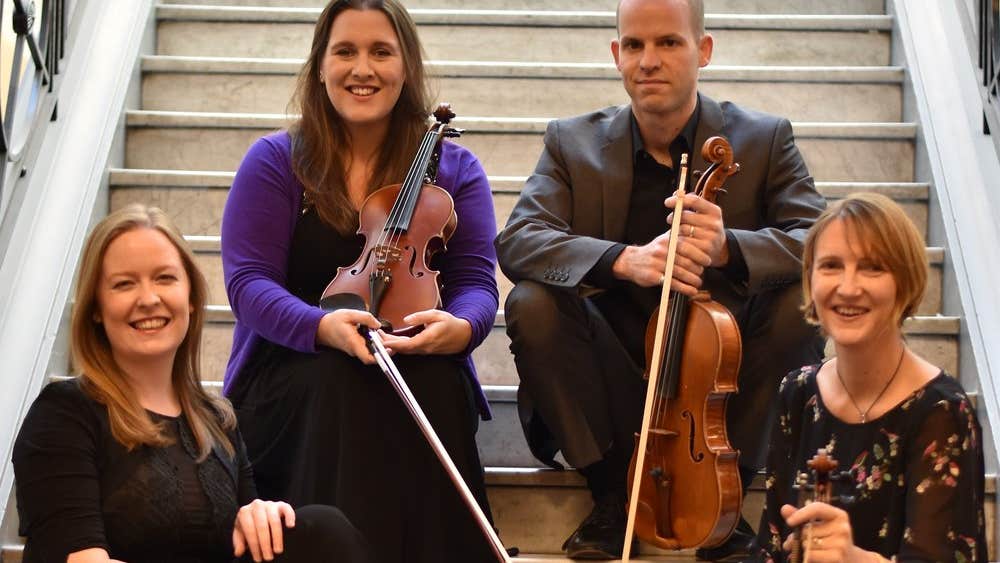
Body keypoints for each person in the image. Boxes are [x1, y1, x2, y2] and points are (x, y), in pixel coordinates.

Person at [495, 0, 827, 559]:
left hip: (718, 387)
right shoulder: (571, 141)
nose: (649, 60)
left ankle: (726, 495)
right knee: (532, 302)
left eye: (669, 43)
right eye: (634, 45)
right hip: (610, 380)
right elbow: (519, 239)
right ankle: (609, 497)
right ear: (616, 55)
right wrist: (621, 260)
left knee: (800, 302)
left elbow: (820, 240)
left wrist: (729, 249)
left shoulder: (764, 140)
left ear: (704, 50)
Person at [220, 0, 500, 561]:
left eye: (381, 52)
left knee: (439, 384)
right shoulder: (277, 161)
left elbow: (476, 280)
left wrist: (461, 327)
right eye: (345, 51)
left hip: (413, 356)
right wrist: (321, 326)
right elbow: (248, 282)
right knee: (339, 379)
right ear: (320, 66)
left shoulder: (455, 169)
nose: (362, 69)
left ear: (407, 66)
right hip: (294, 364)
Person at [12, 204, 373, 563]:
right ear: (95, 308)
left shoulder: (217, 421)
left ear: (191, 300)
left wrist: (257, 516)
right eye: (124, 284)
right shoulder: (64, 413)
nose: (149, 299)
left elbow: (249, 546)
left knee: (321, 530)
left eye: (165, 278)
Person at [752, 192, 986, 562]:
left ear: (904, 283)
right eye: (830, 265)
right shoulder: (797, 392)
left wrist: (852, 557)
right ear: (810, 281)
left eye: (872, 267)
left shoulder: (941, 412)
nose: (847, 287)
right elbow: (770, 545)